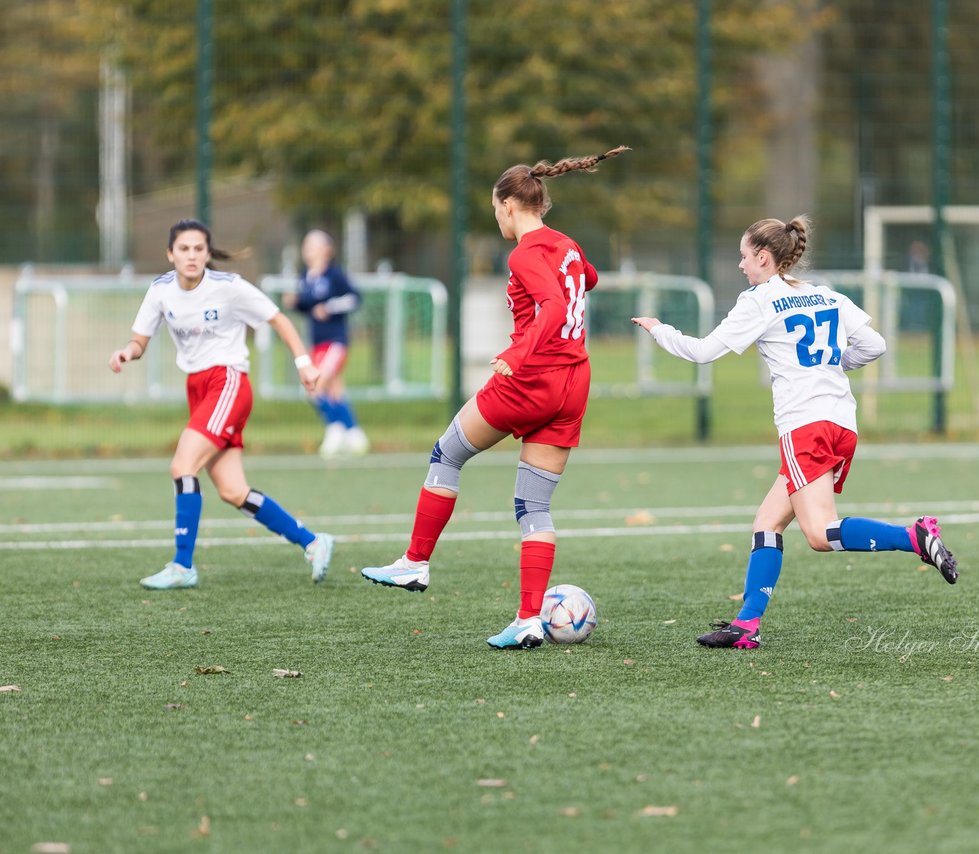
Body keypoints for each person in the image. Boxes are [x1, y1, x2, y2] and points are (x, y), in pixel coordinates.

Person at [632, 215, 958, 650]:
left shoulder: (759, 300)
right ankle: (747, 623)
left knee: (821, 534)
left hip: (804, 425)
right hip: (841, 423)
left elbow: (703, 351)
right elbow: (874, 346)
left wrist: (659, 330)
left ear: (764, 258)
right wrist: (834, 364)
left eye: (744, 257)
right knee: (767, 522)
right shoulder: (826, 295)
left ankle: (913, 537)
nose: (741, 266)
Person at [360, 146, 629, 649]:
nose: (497, 217)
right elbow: (586, 279)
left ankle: (415, 563)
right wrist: (567, 283)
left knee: (447, 452)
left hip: (532, 378)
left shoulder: (525, 252)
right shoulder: (566, 245)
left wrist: (520, 351)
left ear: (508, 205)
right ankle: (529, 619)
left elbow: (550, 303)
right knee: (533, 505)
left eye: (494, 208)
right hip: (574, 382)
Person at [108, 219, 335, 589]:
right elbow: (139, 341)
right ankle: (313, 542)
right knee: (232, 491)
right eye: (184, 249)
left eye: (199, 249)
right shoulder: (161, 290)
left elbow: (277, 319)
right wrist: (126, 353)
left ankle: (183, 566)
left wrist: (304, 362)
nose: (192, 255)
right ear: (171, 254)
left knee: (183, 465)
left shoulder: (228, 288)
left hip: (227, 381)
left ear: (208, 253)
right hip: (198, 388)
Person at [286, 229, 368, 458]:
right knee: (334, 390)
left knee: (314, 385)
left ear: (327, 250)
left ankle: (335, 429)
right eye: (305, 246)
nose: (307, 251)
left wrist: (329, 307)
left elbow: (354, 298)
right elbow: (308, 306)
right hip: (317, 342)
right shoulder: (305, 276)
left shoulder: (335, 275)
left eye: (312, 246)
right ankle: (354, 433)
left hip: (335, 342)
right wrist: (295, 303)